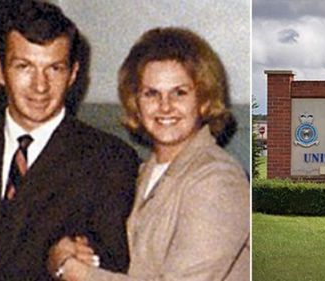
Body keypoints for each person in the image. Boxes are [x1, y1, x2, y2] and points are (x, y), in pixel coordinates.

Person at [49, 27, 250, 281]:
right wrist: (76, 252)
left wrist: (75, 271)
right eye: (151, 93)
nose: (165, 106)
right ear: (136, 103)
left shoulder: (220, 180)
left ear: (203, 101)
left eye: (180, 92)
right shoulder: (144, 172)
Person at [0, 1, 140, 280]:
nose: (40, 86)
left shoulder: (109, 161)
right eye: (24, 67)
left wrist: (63, 261)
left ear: (73, 74)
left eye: (54, 69)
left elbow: (108, 265)